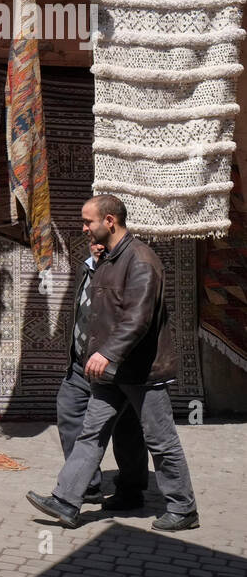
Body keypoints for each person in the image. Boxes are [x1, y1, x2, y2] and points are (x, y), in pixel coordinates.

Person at [28, 195, 199, 532]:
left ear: (109, 221)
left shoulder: (141, 260)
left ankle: (184, 509)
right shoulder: (107, 259)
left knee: (160, 440)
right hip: (111, 373)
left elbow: (138, 318)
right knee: (91, 434)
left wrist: (107, 353)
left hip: (141, 372)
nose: (84, 228)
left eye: (88, 221)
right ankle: (66, 501)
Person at [57, 239, 148, 509]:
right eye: (93, 242)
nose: (97, 247)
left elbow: (136, 317)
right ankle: (88, 486)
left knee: (128, 427)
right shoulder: (85, 269)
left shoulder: (129, 271)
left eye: (103, 242)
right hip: (82, 363)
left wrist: (113, 354)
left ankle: (131, 490)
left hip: (118, 364)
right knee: (69, 409)